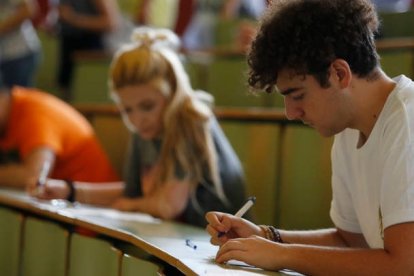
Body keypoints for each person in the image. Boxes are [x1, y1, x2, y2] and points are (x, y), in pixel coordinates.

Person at [205, 0, 414, 274]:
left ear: (339, 74)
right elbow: (351, 241)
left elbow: (404, 265)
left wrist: (282, 255)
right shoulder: (349, 129)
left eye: (298, 95)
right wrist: (267, 236)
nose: (291, 113)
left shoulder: (407, 122)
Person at [35, 27, 247, 228]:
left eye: (147, 106)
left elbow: (168, 206)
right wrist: (68, 191)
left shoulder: (191, 118)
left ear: (172, 92)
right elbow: (131, 194)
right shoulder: (146, 128)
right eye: (127, 110)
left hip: (218, 245)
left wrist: (131, 205)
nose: (137, 120)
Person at [0, 86, 119, 190]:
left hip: (91, 204)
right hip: (60, 198)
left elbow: (34, 177)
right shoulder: (7, 119)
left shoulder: (36, 113)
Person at [56, 0, 119, 101]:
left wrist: (73, 18)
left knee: (87, 101)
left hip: (90, 55)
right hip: (69, 50)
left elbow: (111, 22)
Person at [0, 0, 42, 89]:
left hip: (21, 53)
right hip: (5, 55)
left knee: (17, 98)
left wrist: (1, 28)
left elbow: (29, 10)